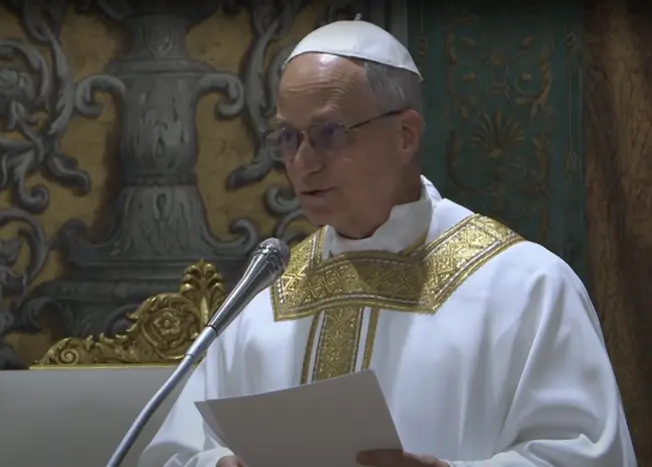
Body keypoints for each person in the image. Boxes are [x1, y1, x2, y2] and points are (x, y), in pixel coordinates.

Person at [140, 19, 637, 467]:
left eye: (329, 133)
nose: (303, 163)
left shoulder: (527, 287)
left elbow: (589, 455)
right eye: (288, 138)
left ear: (405, 135)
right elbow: (175, 454)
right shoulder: (263, 299)